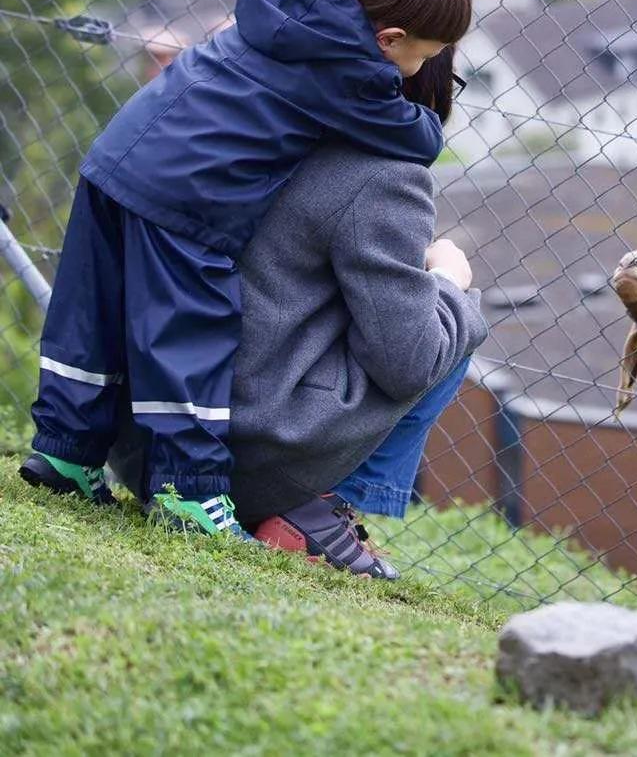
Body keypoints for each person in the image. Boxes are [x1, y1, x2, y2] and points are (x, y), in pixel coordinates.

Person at [21, 0, 473, 540]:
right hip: (186, 198)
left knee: (89, 321)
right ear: (389, 40)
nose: (419, 70)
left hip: (119, 157)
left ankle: (64, 451)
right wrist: (423, 126)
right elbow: (408, 134)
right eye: (428, 53)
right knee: (185, 332)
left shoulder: (285, 14)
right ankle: (190, 492)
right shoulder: (340, 69)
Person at [109, 47, 488, 575]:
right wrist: (447, 279)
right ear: (426, 73)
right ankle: (320, 510)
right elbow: (410, 361)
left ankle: (313, 509)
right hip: (244, 461)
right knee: (452, 318)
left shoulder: (243, 125)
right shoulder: (385, 176)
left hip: (141, 439)